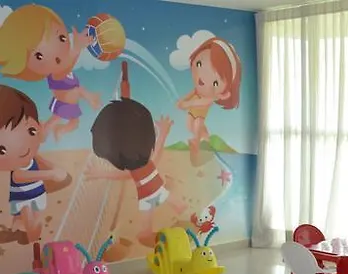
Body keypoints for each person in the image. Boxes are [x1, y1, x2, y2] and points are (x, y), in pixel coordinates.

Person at [87, 98, 186, 246]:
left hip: (148, 192)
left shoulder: (137, 168)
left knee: (152, 208)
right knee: (164, 198)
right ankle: (176, 211)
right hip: (155, 187)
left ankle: (148, 230)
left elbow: (122, 176)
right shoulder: (148, 161)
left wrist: (100, 174)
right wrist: (164, 133)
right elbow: (158, 151)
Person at [0, 4, 101, 142]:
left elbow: (70, 73)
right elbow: (67, 69)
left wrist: (89, 96)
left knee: (69, 122)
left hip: (68, 103)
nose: (56, 55)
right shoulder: (56, 74)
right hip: (65, 102)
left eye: (62, 38)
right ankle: (47, 132)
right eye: (39, 56)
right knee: (61, 120)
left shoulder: (61, 70)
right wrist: (77, 48)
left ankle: (54, 130)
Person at [0, 85, 67, 243]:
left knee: (33, 215)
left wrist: (54, 169)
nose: (23, 148)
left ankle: (20, 231)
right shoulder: (18, 169)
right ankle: (27, 232)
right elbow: (18, 177)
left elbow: (42, 161)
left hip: (37, 192)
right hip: (22, 196)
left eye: (31, 131)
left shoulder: (34, 156)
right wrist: (49, 174)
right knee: (25, 214)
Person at [177, 37, 242, 165]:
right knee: (190, 126)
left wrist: (186, 104)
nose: (202, 77)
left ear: (223, 93)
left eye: (215, 82)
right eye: (199, 64)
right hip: (192, 113)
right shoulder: (196, 91)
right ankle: (205, 140)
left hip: (199, 115)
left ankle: (196, 143)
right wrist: (182, 101)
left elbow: (198, 103)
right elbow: (189, 96)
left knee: (197, 126)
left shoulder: (210, 98)